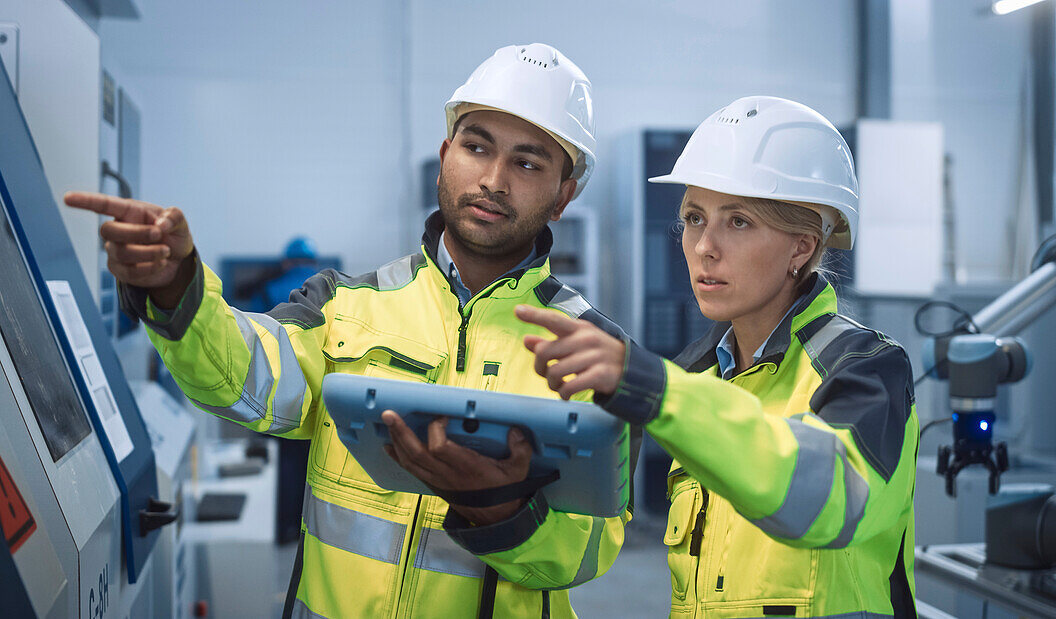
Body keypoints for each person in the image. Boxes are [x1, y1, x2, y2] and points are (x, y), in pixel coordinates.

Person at [66, 43, 638, 619]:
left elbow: (590, 550)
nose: (493, 180)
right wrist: (176, 288)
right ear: (445, 156)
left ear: (564, 194)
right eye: (476, 146)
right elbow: (247, 381)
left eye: (528, 163)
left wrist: (500, 510)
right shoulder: (342, 304)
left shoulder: (602, 356)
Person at [517, 96, 918, 618]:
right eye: (693, 217)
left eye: (739, 223)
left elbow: (827, 503)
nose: (704, 246)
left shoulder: (865, 369)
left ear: (801, 247)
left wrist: (654, 388)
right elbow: (585, 543)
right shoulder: (693, 376)